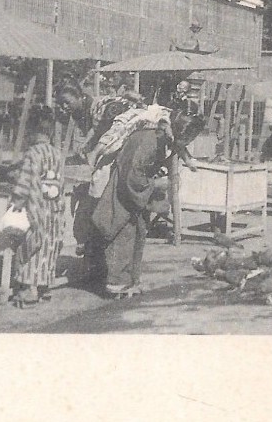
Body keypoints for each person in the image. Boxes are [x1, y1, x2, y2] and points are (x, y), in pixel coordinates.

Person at [81, 110, 205, 297]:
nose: (187, 144)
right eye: (188, 139)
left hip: (138, 189)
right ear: (179, 133)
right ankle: (116, 284)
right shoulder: (148, 141)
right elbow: (131, 174)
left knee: (138, 231)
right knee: (122, 232)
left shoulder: (165, 138)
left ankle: (130, 281)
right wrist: (156, 184)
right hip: (123, 186)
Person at [7, 106, 66, 307]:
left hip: (36, 208)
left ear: (32, 131)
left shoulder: (32, 153)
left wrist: (16, 201)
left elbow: (25, 182)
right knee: (48, 248)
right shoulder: (57, 154)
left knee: (32, 248)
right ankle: (45, 287)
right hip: (54, 210)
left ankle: (29, 289)